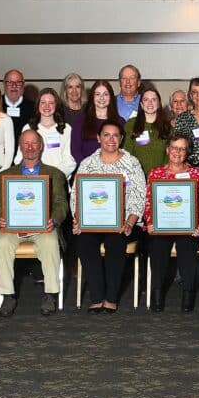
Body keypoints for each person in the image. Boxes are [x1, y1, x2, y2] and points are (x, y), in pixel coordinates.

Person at [0, 129, 69, 317]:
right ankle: (8, 295)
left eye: (34, 143)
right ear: (20, 146)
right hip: (13, 227)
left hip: (44, 227)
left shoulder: (55, 174)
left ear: (41, 146)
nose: (30, 147)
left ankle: (50, 294)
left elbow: (61, 204)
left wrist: (54, 219)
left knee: (51, 243)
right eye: (25, 143)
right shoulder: (5, 175)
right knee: (0, 244)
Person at [73, 121, 145, 313]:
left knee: (116, 242)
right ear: (98, 138)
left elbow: (140, 196)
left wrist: (129, 223)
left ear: (121, 138)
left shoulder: (132, 163)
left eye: (115, 135)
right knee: (84, 241)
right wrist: (78, 219)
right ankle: (97, 296)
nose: (111, 139)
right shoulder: (87, 164)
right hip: (93, 222)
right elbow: (76, 195)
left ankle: (111, 297)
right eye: (106, 135)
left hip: (124, 222)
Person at [143, 133, 199, 312]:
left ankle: (188, 295)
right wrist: (149, 222)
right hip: (161, 226)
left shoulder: (197, 173)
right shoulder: (156, 173)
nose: (177, 152)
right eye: (174, 148)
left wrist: (198, 225)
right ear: (167, 150)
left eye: (182, 149)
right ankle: (156, 296)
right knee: (158, 245)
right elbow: (148, 202)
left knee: (187, 245)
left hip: (188, 227)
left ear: (187, 152)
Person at [15, 88, 77, 183]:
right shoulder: (28, 128)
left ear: (56, 105)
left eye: (51, 103)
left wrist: (54, 176)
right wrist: (34, 175)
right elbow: (19, 158)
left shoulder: (66, 129)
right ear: (38, 105)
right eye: (43, 102)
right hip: (33, 180)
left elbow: (70, 159)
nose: (46, 106)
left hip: (58, 181)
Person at [123, 84, 173, 177]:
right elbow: (126, 152)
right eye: (146, 100)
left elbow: (170, 155)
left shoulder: (167, 127)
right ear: (141, 105)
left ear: (158, 104)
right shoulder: (131, 124)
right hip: (136, 177)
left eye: (154, 100)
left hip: (161, 178)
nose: (150, 103)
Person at [72, 80, 123, 164]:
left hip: (113, 171)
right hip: (87, 171)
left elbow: (123, 150)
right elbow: (75, 151)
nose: (102, 98)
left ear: (111, 97)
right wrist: (88, 168)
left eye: (105, 94)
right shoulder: (81, 120)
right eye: (97, 94)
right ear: (92, 97)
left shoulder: (120, 121)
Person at [1, 69, 35, 137]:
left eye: (18, 82)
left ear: (23, 85)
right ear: (4, 85)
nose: (14, 85)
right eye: (10, 82)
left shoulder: (33, 108)